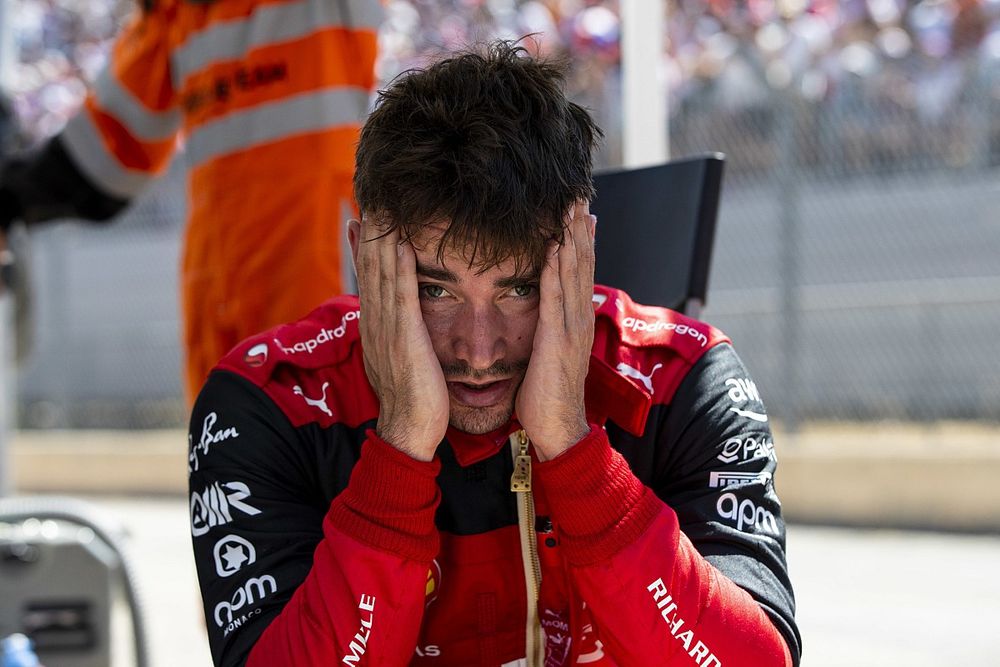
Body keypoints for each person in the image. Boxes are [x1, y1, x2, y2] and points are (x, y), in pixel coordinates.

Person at [188, 40, 801, 667]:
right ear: (365, 255)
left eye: (519, 288)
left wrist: (572, 445)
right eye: (435, 290)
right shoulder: (268, 401)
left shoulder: (685, 379)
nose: (478, 351)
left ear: (581, 252)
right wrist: (399, 447)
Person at [0, 0, 382, 400]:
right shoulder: (177, 14)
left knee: (327, 438)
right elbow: (105, 151)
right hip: (217, 277)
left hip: (314, 260)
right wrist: (11, 194)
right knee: (220, 447)